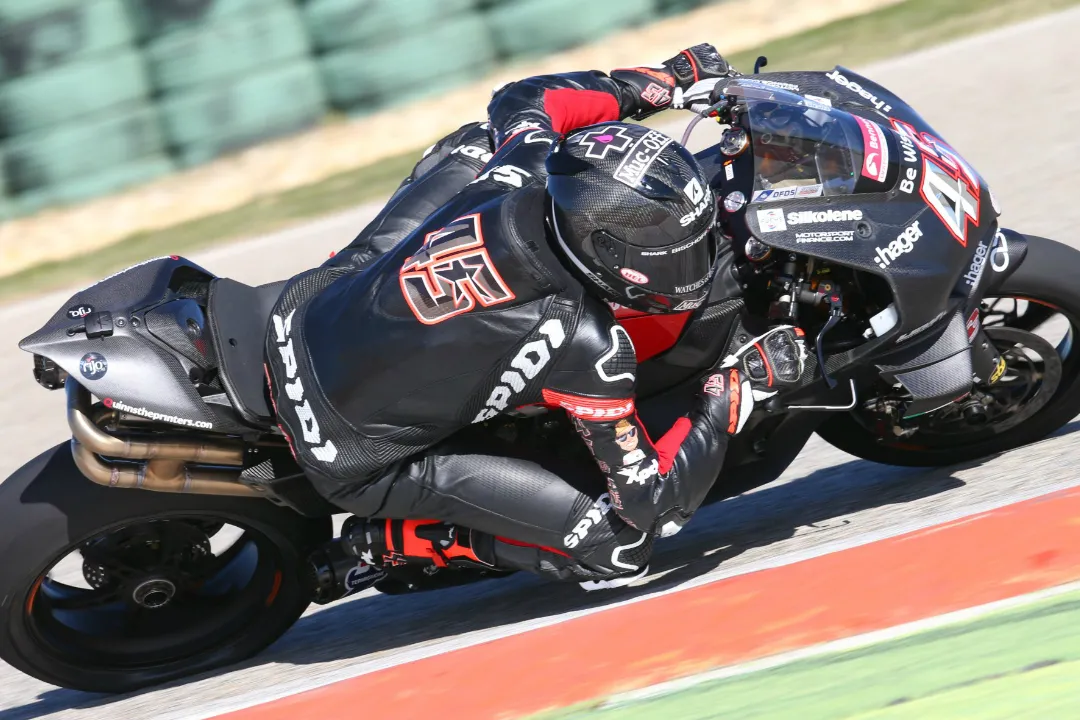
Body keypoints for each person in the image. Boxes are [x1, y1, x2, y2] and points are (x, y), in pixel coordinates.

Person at [265, 44, 807, 591]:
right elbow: (652, 504)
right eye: (670, 250)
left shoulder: (525, 170)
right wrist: (734, 390)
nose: (693, 259)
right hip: (348, 449)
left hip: (297, 315)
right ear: (610, 251)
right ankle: (394, 542)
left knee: (475, 146)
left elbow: (523, 98)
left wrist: (654, 83)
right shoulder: (586, 343)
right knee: (621, 547)